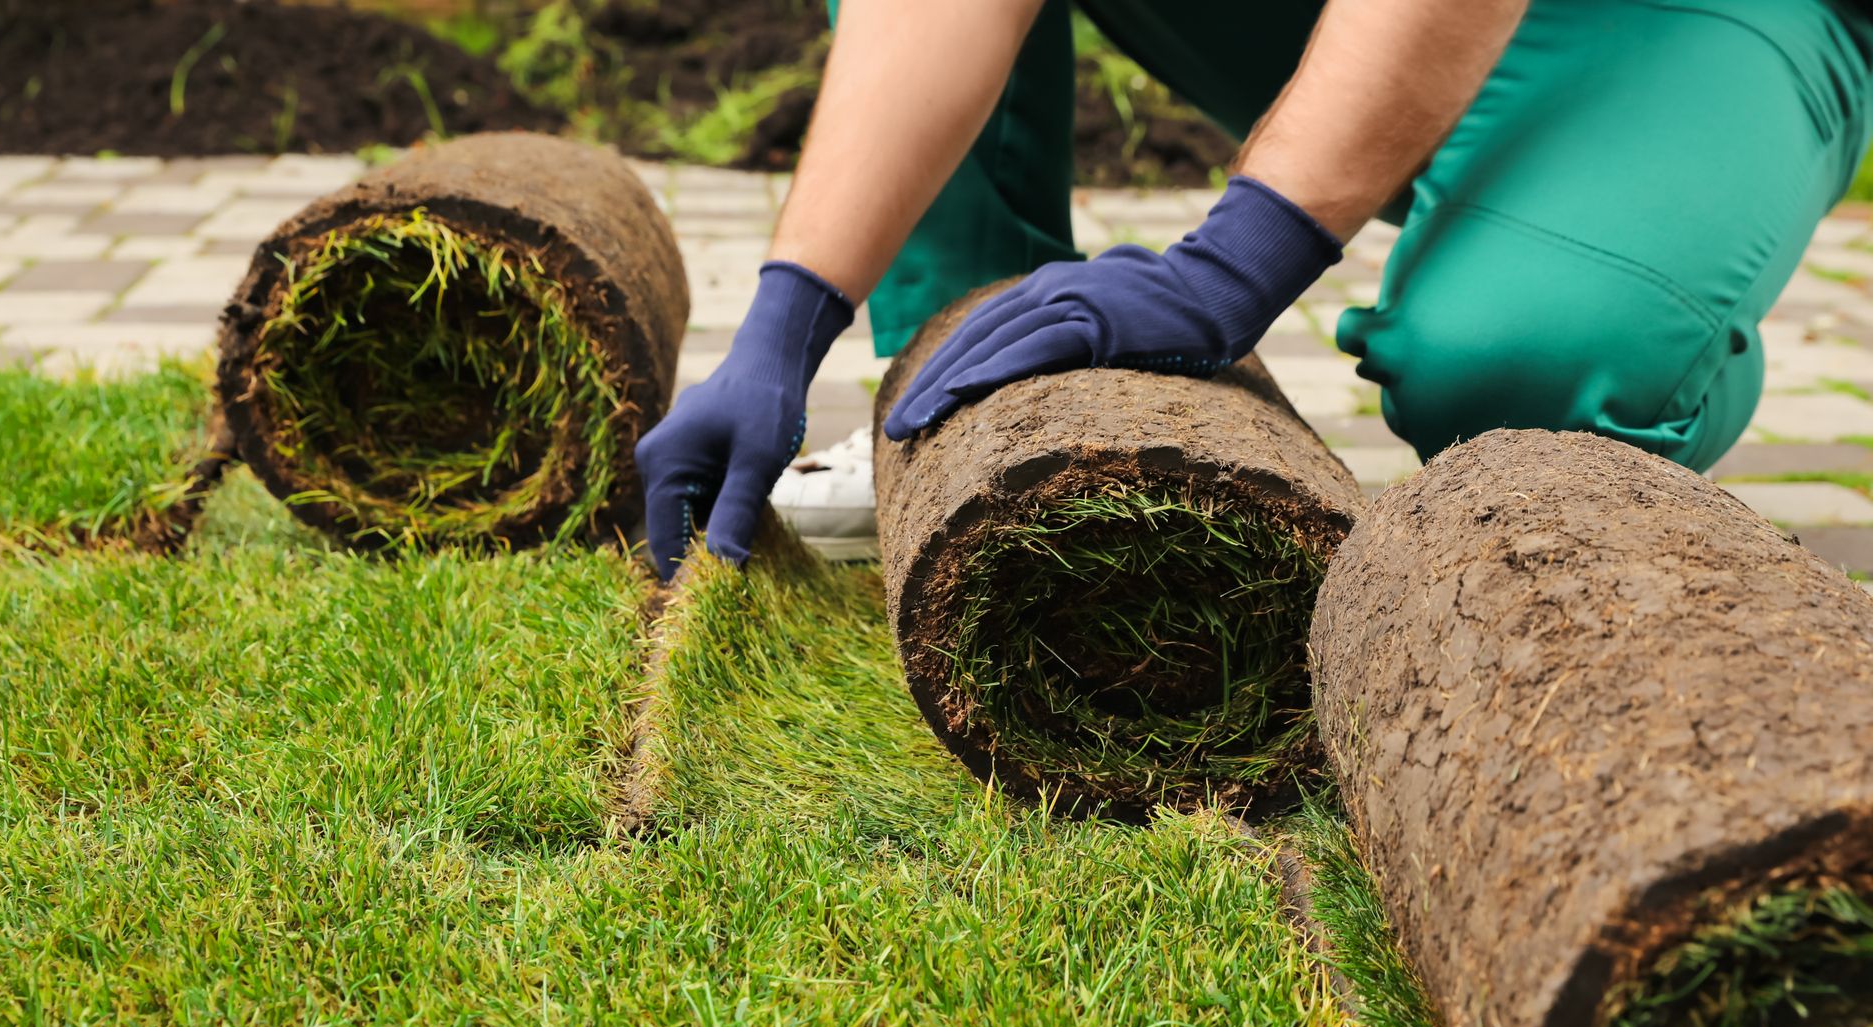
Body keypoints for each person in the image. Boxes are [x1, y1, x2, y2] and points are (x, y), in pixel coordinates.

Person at [634, 0, 1873, 579]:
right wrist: (785, 325)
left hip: (1681, 20)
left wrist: (1236, 269)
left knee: (1531, 364)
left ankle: (1675, 299)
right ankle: (954, 383)